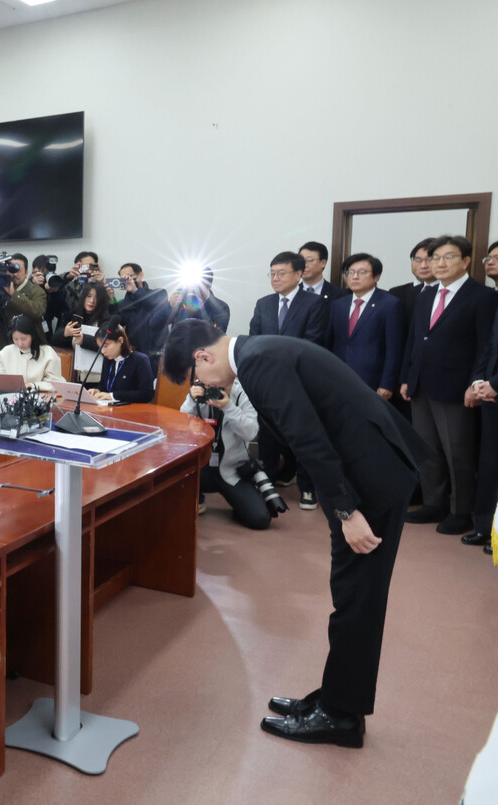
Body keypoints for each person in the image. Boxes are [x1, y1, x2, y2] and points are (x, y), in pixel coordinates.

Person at [163, 319, 431, 748]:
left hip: (370, 479)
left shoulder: (259, 362)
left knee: (357, 598)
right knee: (351, 593)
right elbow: (297, 423)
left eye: (198, 376)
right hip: (366, 468)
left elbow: (309, 441)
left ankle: (341, 717)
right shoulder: (258, 352)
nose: (203, 384)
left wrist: (346, 511)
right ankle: (337, 698)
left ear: (202, 356)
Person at [400, 235, 498, 535]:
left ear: (466, 261)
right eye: (435, 258)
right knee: (426, 449)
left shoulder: (482, 296)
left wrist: (475, 383)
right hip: (420, 385)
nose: (439, 263)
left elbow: (486, 346)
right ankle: (433, 503)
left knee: (459, 453)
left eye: (448, 257)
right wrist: (406, 376)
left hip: (457, 388)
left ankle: (461, 510)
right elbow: (414, 340)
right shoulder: (426, 295)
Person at [248, 251, 329, 509]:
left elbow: (312, 342)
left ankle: (307, 487)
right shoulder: (264, 303)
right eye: (272, 274)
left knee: (302, 434)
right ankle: (267, 483)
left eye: (281, 273)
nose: (275, 278)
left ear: (298, 274)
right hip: (267, 381)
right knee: (268, 436)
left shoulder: (313, 303)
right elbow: (254, 339)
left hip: (299, 379)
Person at [181, 377, 271, 530]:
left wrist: (228, 407)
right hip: (201, 467)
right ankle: (198, 496)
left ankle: (237, 500)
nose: (212, 385)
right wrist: (191, 399)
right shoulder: (199, 387)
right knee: (171, 506)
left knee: (260, 519)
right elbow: (181, 425)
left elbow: (251, 433)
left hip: (231, 470)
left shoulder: (242, 391)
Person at [328, 253, 402, 398]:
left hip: (372, 380)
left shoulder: (390, 304)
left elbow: (394, 349)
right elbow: (330, 342)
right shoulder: (339, 304)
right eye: (350, 272)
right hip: (339, 375)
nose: (355, 277)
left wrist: (386, 383)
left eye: (362, 272)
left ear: (376, 277)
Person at [467, 305, 498, 554]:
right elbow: (489, 346)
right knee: (489, 466)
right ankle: (485, 528)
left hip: (495, 389)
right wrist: (479, 382)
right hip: (491, 399)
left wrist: (495, 384)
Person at [0, 253, 47, 351]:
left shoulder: (36, 291)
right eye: (11, 270)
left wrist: (13, 294)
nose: (15, 274)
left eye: (18, 270)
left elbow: (37, 311)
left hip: (29, 347)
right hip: (4, 347)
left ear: (26, 272)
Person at [85, 326, 153, 403]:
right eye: (100, 348)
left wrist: (113, 396)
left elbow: (146, 394)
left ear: (120, 341)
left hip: (132, 410)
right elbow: (104, 385)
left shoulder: (140, 360)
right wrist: (97, 390)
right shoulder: (108, 359)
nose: (102, 351)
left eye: (105, 346)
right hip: (109, 408)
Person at [0, 314, 62, 391]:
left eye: (24, 339)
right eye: (15, 339)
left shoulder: (47, 353)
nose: (20, 343)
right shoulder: (6, 352)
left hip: (40, 397)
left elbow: (55, 383)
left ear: (32, 335)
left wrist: (33, 385)